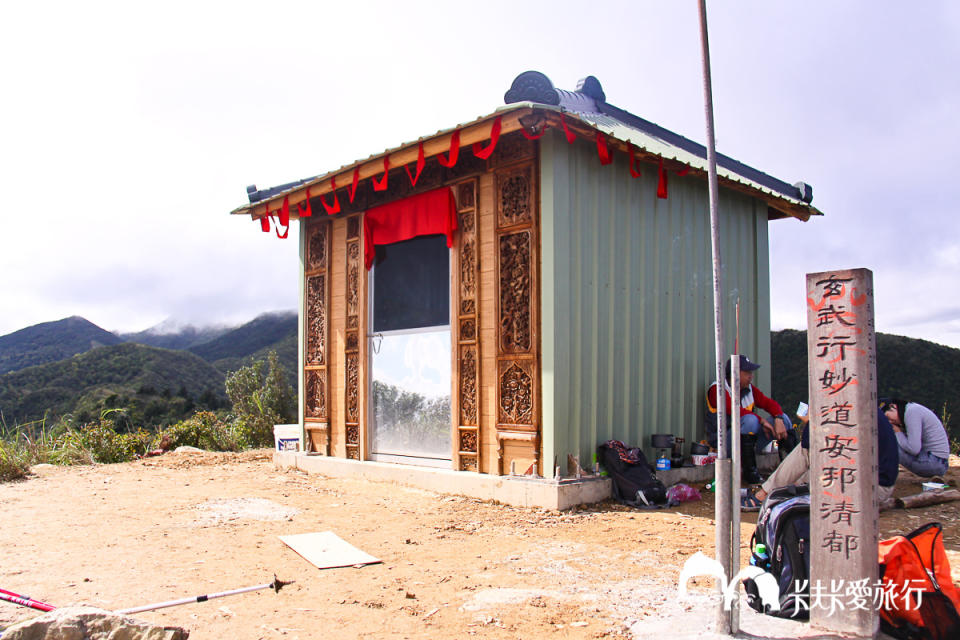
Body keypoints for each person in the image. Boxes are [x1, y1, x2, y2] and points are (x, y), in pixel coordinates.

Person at [741, 409, 900, 510]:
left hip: (868, 490)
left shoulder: (843, 405)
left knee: (805, 451)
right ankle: (778, 490)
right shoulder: (860, 401)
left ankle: (764, 494)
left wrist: (811, 421)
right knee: (819, 459)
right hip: (874, 486)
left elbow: (808, 443)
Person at [705, 355, 799, 485]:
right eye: (747, 373)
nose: (751, 376)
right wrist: (762, 420)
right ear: (735, 374)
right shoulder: (717, 389)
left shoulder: (748, 389)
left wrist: (778, 418)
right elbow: (735, 411)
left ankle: (792, 470)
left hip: (746, 443)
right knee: (750, 420)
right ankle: (750, 474)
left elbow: (769, 403)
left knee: (785, 420)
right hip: (724, 444)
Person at [882, 399, 950, 478]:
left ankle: (881, 475)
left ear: (893, 406)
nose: (890, 422)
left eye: (888, 417)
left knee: (885, 443)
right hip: (938, 462)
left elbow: (913, 449)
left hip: (934, 463)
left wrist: (897, 431)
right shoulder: (912, 409)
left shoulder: (911, 412)